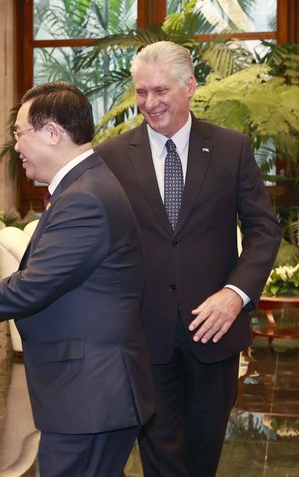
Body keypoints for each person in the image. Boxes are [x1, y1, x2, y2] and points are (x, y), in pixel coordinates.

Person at [0, 82, 155, 477]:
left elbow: (33, 285)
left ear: (53, 133)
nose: (15, 147)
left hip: (89, 393)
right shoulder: (85, 186)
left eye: (19, 134)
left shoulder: (85, 197)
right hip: (89, 392)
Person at [97, 41, 281, 476]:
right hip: (144, 335)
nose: (149, 103)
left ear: (190, 86)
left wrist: (235, 295)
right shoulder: (111, 156)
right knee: (160, 457)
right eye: (141, 92)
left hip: (215, 334)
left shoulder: (232, 148)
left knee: (203, 456)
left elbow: (264, 230)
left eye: (160, 90)